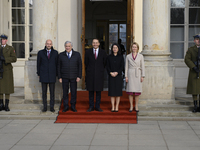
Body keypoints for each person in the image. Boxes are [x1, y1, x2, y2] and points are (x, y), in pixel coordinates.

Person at [58, 41, 82, 112]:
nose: (67, 47)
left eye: (69, 46)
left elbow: (80, 66)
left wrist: (79, 76)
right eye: (66, 46)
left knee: (73, 92)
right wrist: (59, 77)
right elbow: (58, 66)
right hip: (64, 77)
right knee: (65, 92)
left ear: (71, 47)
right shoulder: (61, 55)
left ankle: (73, 106)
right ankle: (65, 106)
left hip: (74, 77)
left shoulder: (77, 54)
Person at [85, 38, 107, 112]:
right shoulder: (88, 52)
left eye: (96, 42)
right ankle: (91, 106)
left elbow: (104, 63)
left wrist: (99, 70)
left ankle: (97, 106)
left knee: (98, 92)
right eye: (94, 43)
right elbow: (86, 63)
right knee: (91, 91)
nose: (95, 44)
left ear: (99, 44)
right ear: (92, 43)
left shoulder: (103, 52)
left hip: (99, 74)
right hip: (90, 74)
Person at [37, 39, 58, 112]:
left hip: (52, 75)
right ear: (45, 44)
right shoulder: (40, 53)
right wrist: (39, 73)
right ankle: (45, 107)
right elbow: (38, 64)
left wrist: (57, 74)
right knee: (44, 92)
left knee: (52, 92)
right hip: (43, 75)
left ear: (52, 44)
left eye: (50, 44)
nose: (48, 45)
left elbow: (57, 64)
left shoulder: (55, 53)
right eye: (47, 43)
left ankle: (52, 107)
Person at [125, 42, 145, 112]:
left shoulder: (141, 56)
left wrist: (143, 76)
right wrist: (126, 76)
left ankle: (136, 105)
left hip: (138, 74)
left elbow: (142, 66)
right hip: (130, 74)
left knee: (137, 91)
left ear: (137, 48)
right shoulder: (128, 56)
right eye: (133, 47)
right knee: (130, 91)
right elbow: (126, 67)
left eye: (135, 47)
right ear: (131, 48)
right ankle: (131, 106)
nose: (134, 48)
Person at [0, 34, 17, 111]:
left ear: (6, 40)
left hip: (7, 70)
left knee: (7, 87)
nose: (2, 40)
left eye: (3, 39)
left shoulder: (10, 48)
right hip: (0, 69)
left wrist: (5, 59)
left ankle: (6, 105)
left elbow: (14, 58)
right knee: (0, 87)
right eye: (1, 39)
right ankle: (1, 104)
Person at [184, 34, 200, 113]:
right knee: (194, 90)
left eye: (199, 39)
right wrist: (193, 67)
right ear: (194, 40)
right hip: (194, 71)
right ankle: (195, 106)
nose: (198, 40)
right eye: (197, 39)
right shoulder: (190, 49)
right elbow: (187, 59)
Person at [106, 43, 124, 112]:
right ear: (112, 49)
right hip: (111, 76)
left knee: (118, 93)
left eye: (116, 47)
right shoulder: (109, 57)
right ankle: (113, 106)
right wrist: (110, 73)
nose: (115, 49)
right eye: (113, 48)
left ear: (118, 49)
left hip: (118, 76)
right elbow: (107, 66)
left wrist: (117, 72)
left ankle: (117, 106)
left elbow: (122, 66)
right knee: (112, 93)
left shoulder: (121, 57)